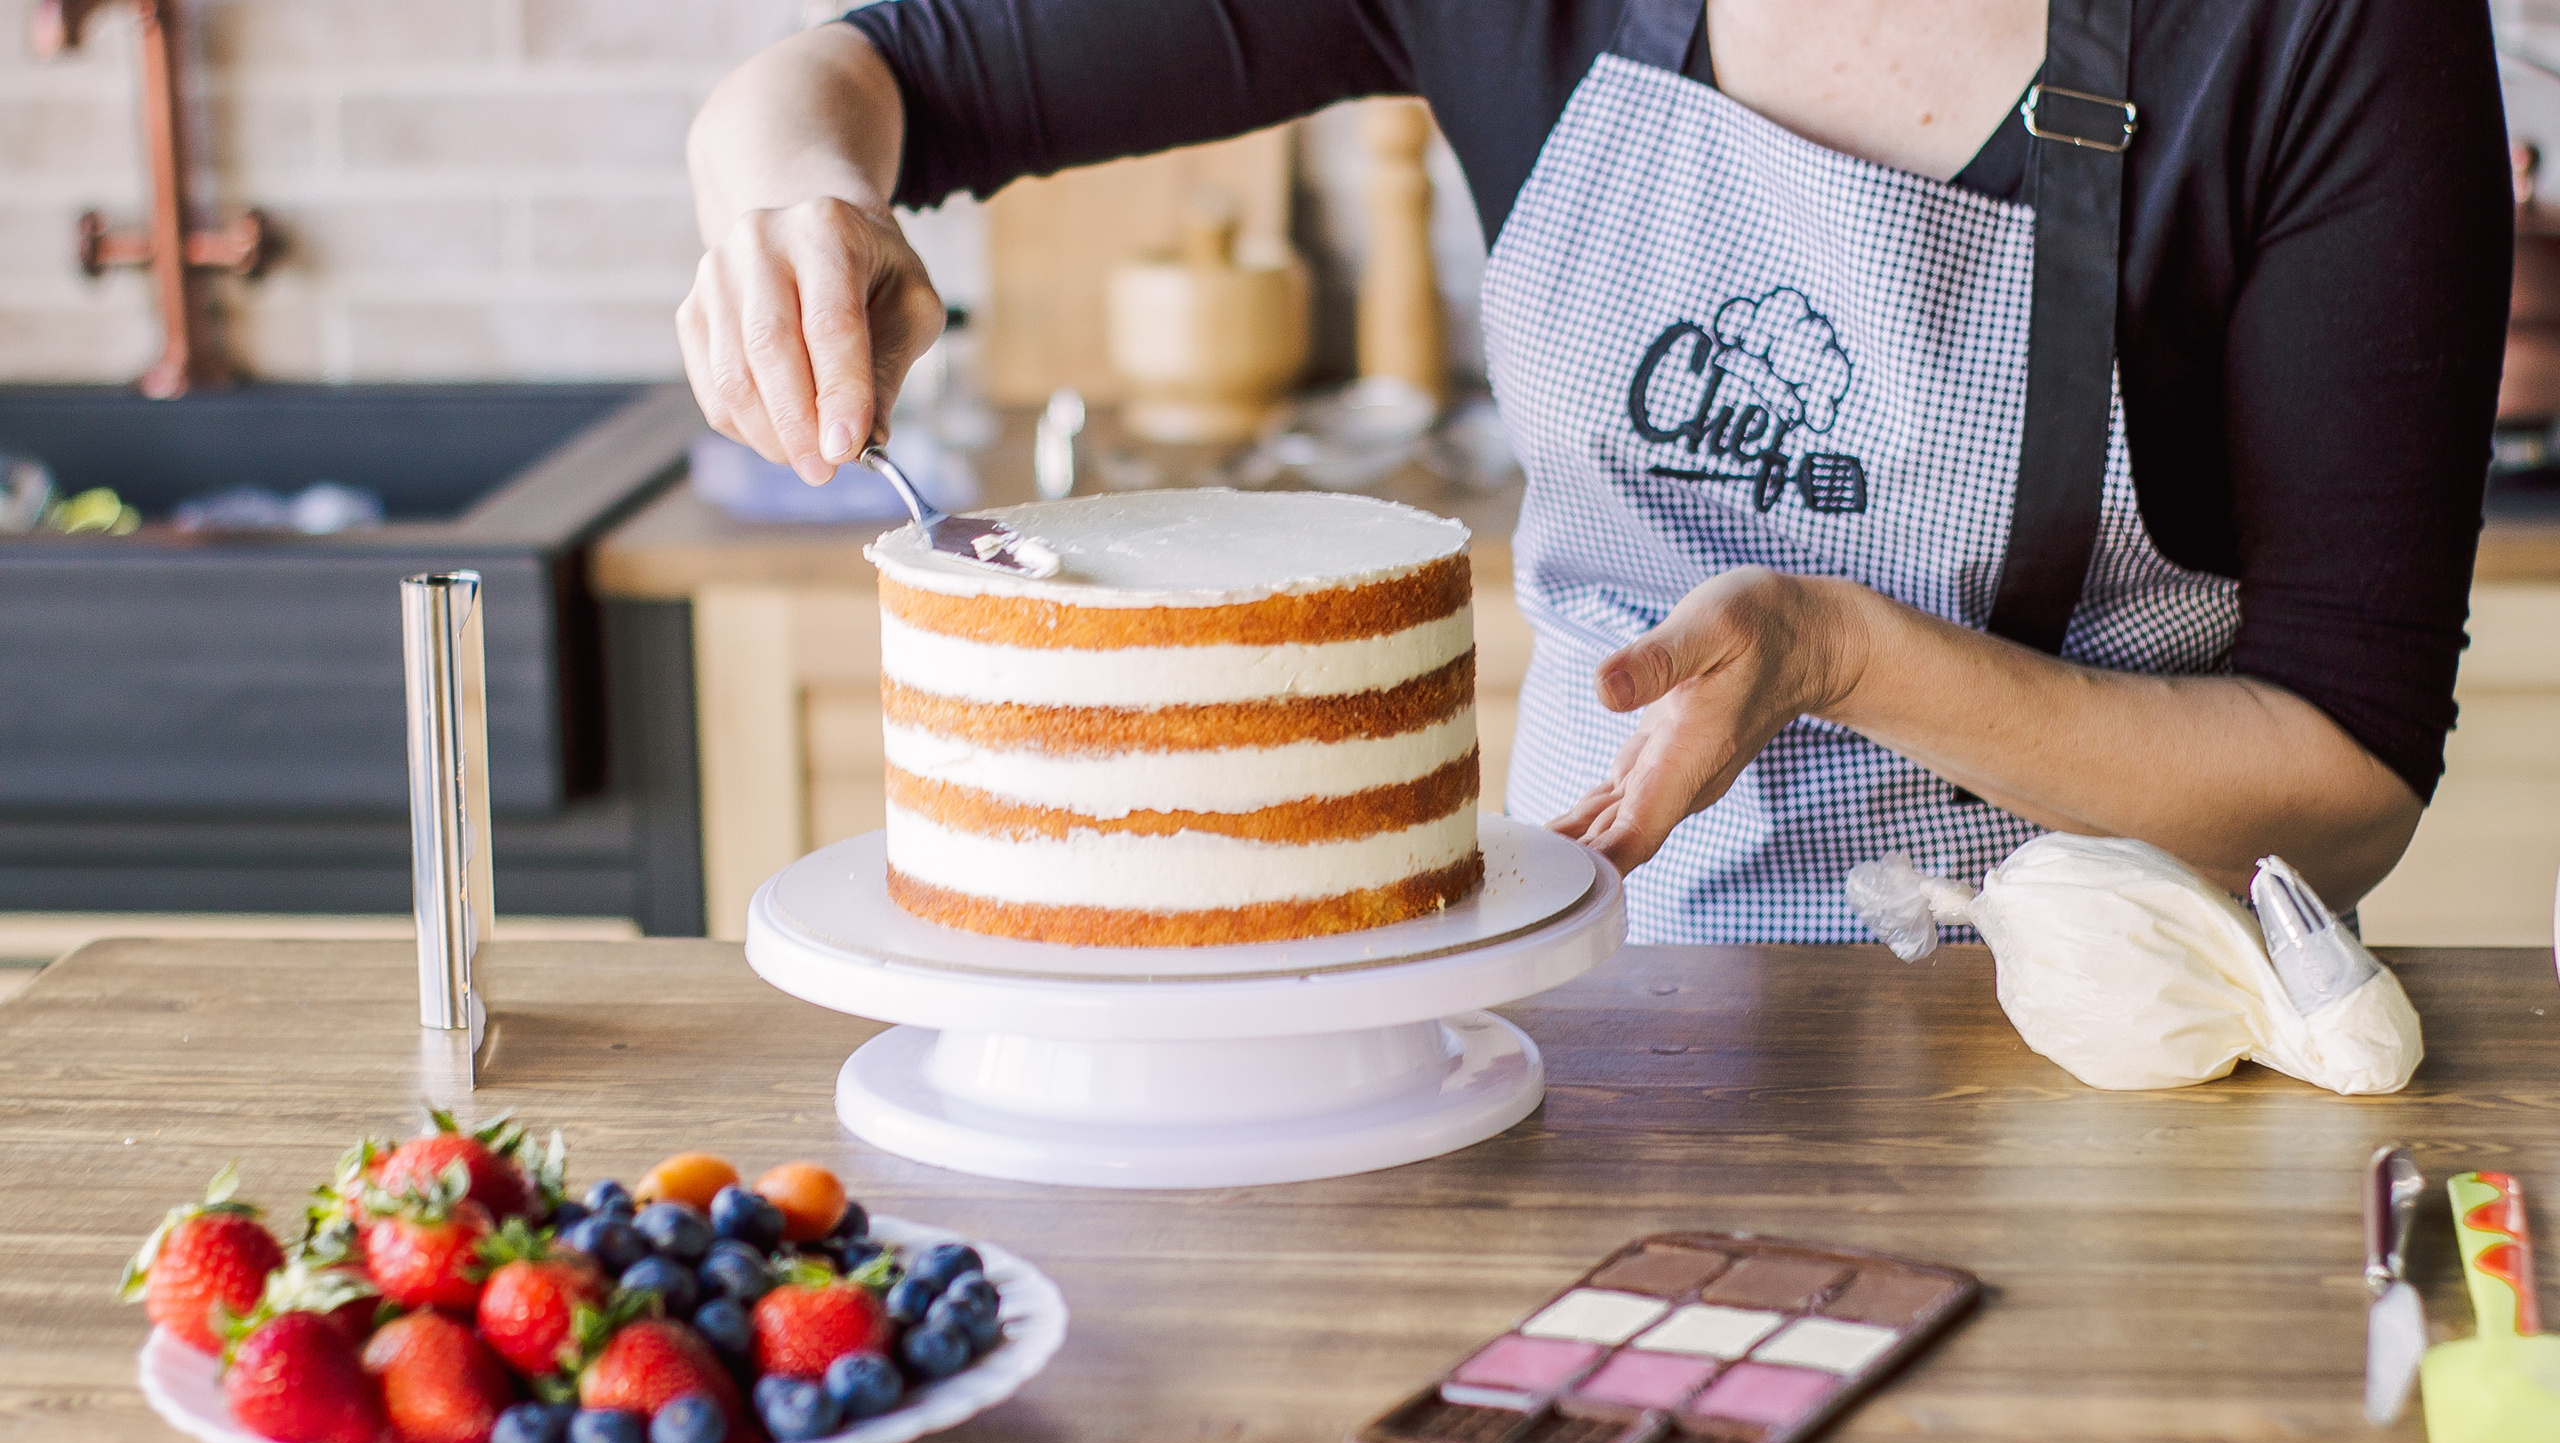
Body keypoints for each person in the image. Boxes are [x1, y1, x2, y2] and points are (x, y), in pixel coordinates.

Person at [678, 0, 2510, 943]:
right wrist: (788, 208)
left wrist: (1844, 654)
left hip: (2119, 1077)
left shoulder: (2321, 30)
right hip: (1578, 1029)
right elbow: (878, 66)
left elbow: (2343, 782)